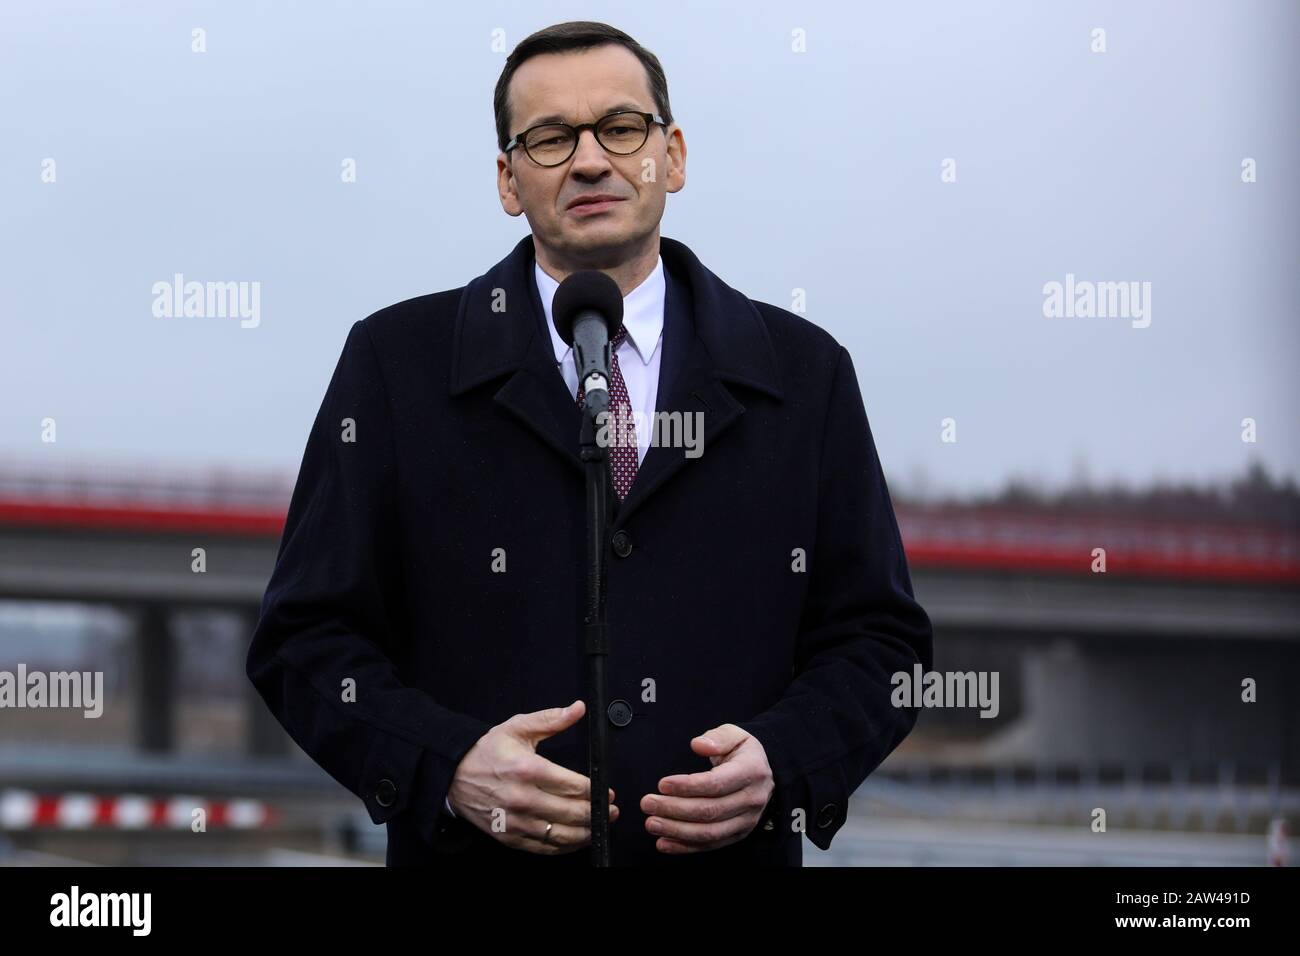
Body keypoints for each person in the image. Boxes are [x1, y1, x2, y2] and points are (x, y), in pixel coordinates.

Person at [246, 20, 933, 867]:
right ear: (507, 179)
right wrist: (448, 764)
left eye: (620, 128)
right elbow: (305, 641)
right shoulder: (396, 367)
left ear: (671, 155)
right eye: (550, 138)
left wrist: (784, 762)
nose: (591, 161)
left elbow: (880, 643)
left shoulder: (803, 374)